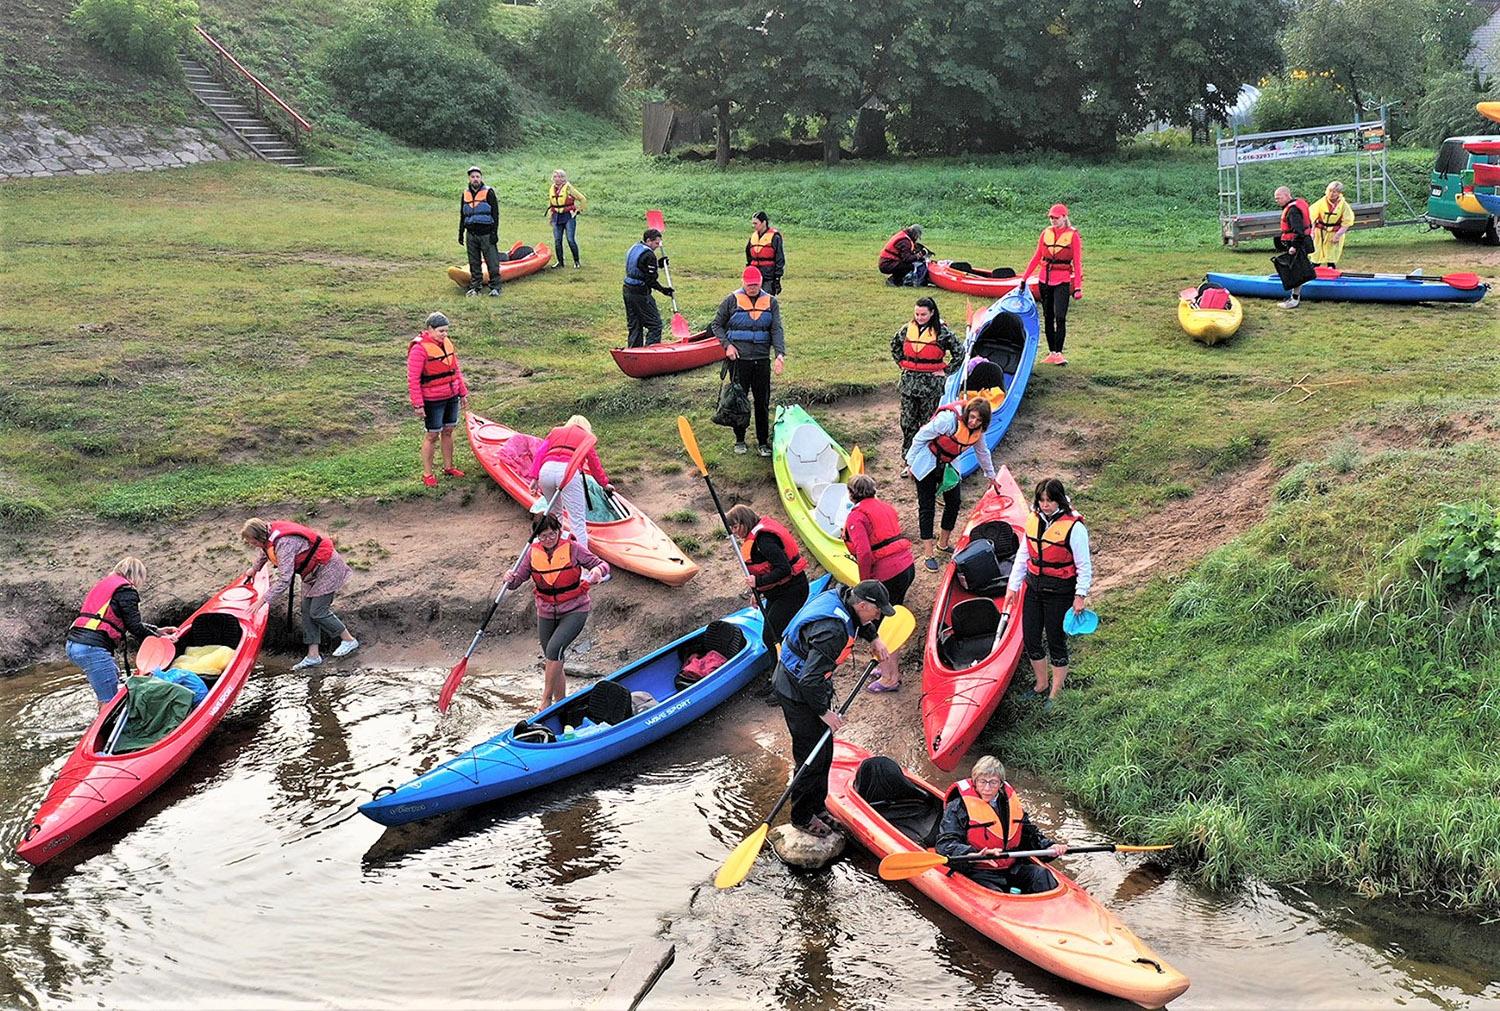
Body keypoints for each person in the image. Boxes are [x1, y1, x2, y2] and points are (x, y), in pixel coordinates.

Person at [772, 580, 896, 836]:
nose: (879, 615)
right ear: (862, 604)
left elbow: (858, 618)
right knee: (810, 756)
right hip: (796, 690)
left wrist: (873, 637)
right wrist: (823, 713)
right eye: (877, 611)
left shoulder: (843, 595)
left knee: (825, 750)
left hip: (810, 684)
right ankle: (802, 817)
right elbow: (809, 680)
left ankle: (818, 807)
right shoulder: (832, 631)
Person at [504, 513, 610, 710]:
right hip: (545, 611)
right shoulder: (531, 553)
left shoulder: (573, 549)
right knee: (554, 657)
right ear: (537, 537)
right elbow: (517, 581)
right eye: (543, 536)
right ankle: (560, 705)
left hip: (575, 609)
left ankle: (544, 702)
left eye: (552, 534)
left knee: (553, 651)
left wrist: (597, 572)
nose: (548, 540)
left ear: (559, 532)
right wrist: (509, 578)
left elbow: (602, 564)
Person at [1004, 478, 1092, 711]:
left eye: (1050, 500)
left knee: (1055, 640)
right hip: (1033, 588)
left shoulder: (1075, 527)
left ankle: (1056, 692)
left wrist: (1080, 595)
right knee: (1031, 638)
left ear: (1059, 500)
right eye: (1041, 500)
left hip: (1060, 592)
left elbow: (1084, 565)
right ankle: (1041, 684)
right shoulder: (1033, 520)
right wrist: (1013, 587)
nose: (1045, 505)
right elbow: (1024, 555)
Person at [937, 754, 1067, 894]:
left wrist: (1050, 847)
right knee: (993, 892)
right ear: (974, 782)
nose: (987, 788)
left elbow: (1029, 835)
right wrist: (973, 854)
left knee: (1042, 875)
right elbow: (945, 845)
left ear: (1000, 784)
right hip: (979, 870)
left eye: (993, 782)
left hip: (1010, 867)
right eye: (982, 782)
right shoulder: (958, 807)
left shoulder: (1009, 804)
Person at [241, 518, 359, 671]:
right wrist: (254, 569)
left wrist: (262, 600)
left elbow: (285, 580)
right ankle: (313, 655)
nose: (252, 545)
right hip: (311, 573)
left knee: (318, 611)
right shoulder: (268, 537)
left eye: (253, 542)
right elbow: (265, 552)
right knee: (306, 610)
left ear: (260, 536)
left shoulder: (285, 543)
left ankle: (349, 640)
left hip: (327, 569)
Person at [66, 557, 175, 710]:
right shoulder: (126, 591)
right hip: (92, 648)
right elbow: (134, 627)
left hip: (74, 644)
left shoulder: (107, 586)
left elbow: (121, 620)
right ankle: (105, 731)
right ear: (137, 576)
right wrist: (160, 640)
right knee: (109, 701)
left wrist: (156, 630)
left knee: (111, 679)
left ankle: (101, 719)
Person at [842, 475, 915, 692]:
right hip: (906, 567)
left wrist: (865, 585)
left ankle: (890, 678)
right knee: (889, 621)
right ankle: (887, 667)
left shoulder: (856, 517)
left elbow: (864, 553)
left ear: (851, 494)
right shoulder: (886, 507)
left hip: (887, 574)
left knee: (883, 626)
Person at [906, 398, 997, 572]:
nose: (973, 422)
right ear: (967, 413)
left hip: (950, 464)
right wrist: (909, 463)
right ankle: (928, 553)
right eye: (972, 417)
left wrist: (991, 476)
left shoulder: (977, 431)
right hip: (927, 460)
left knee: (954, 502)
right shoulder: (948, 420)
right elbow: (920, 436)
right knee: (927, 507)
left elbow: (982, 452)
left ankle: (943, 543)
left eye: (979, 420)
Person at [711, 266, 785, 456]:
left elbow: (776, 329)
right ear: (743, 283)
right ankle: (740, 440)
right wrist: (727, 345)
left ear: (761, 284)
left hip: (761, 360)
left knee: (762, 402)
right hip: (739, 360)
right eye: (749, 285)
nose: (752, 289)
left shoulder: (771, 302)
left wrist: (779, 354)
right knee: (738, 401)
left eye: (756, 285)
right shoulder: (731, 300)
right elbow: (717, 325)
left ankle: (763, 442)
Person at [726, 504, 810, 651]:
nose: (735, 532)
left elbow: (784, 569)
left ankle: (781, 670)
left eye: (735, 527)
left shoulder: (764, 541)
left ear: (744, 522)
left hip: (793, 590)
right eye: (731, 529)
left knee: (770, 637)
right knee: (771, 633)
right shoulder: (755, 540)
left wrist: (757, 582)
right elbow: (766, 568)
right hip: (777, 592)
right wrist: (757, 591)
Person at [890, 296, 963, 455]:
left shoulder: (942, 332)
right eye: (917, 314)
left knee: (928, 423)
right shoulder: (907, 329)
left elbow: (960, 352)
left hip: (931, 386)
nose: (919, 318)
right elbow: (895, 345)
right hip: (909, 384)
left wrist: (946, 371)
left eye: (923, 314)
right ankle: (907, 455)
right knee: (907, 422)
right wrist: (902, 363)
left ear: (932, 313)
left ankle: (924, 455)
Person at [406, 311, 470, 488]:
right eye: (441, 331)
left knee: (448, 430)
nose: (444, 334)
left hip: (451, 395)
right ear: (430, 329)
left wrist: (462, 393)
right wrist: (418, 404)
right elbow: (413, 379)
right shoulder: (419, 349)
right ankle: (427, 474)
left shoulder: (447, 343)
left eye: (446, 331)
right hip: (432, 399)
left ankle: (448, 467)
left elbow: (455, 370)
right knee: (432, 435)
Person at [527, 414, 610, 550]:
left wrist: (534, 477)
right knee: (577, 521)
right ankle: (584, 566)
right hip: (568, 471)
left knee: (555, 515)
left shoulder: (556, 432)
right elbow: (594, 464)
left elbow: (540, 453)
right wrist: (604, 484)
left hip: (546, 471)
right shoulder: (587, 437)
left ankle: (558, 552)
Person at [1021, 204, 1083, 366]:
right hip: (1044, 280)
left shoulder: (1073, 236)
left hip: (1062, 281)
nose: (1053, 220)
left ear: (1064, 217)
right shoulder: (1045, 233)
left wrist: (1077, 287)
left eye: (1056, 217)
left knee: (1060, 317)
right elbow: (1036, 257)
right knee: (1048, 317)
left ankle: (1059, 353)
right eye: (1051, 217)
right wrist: (1024, 278)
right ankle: (1052, 352)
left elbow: (1077, 262)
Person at [623, 228, 673, 348]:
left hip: (627, 290)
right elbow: (650, 279)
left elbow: (641, 267)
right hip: (640, 294)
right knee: (655, 325)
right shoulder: (649, 255)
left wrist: (657, 264)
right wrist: (664, 290)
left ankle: (634, 353)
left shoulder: (634, 248)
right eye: (656, 243)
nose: (657, 246)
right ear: (649, 241)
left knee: (635, 324)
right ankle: (650, 353)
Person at [458, 166, 502, 298]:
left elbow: (495, 214)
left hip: (486, 233)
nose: (475, 179)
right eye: (473, 177)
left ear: (481, 178)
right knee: (474, 262)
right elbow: (462, 214)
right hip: (471, 233)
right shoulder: (465, 194)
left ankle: (495, 287)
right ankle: (475, 287)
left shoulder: (489, 192)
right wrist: (461, 233)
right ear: (469, 179)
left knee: (492, 262)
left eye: (477, 176)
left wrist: (494, 233)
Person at [1273, 185, 1314, 309]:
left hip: (1298, 243)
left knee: (1296, 272)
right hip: (1301, 241)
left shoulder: (1293, 211)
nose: (1277, 201)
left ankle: (1295, 299)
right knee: (1297, 271)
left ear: (1286, 195)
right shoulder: (1294, 206)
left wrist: (1294, 247)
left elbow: (1299, 231)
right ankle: (1294, 297)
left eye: (1278, 198)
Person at [545, 169, 587, 269]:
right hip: (557, 216)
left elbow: (582, 199)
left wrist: (578, 210)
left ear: (564, 178)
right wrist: (551, 217)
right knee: (557, 240)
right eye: (555, 177)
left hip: (568, 216)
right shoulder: (552, 188)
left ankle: (576, 262)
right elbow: (551, 203)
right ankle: (560, 262)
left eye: (560, 177)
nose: (557, 179)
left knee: (570, 239)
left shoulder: (569, 188)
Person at [1310, 180, 1354, 269]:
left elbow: (1347, 222)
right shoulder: (1320, 203)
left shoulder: (1344, 205)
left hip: (1334, 232)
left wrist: (1338, 235)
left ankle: (1331, 270)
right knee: (1316, 253)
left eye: (1334, 192)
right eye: (1330, 191)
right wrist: (1312, 232)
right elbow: (1312, 217)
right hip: (1320, 232)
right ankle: (1314, 270)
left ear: (1339, 193)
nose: (1331, 194)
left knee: (1332, 254)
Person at [745, 211, 785, 295]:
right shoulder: (753, 237)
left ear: (764, 223)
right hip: (755, 275)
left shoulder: (775, 237)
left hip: (769, 276)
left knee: (766, 300)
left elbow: (780, 258)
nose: (753, 226)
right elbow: (748, 255)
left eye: (756, 223)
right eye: (753, 223)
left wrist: (777, 278)